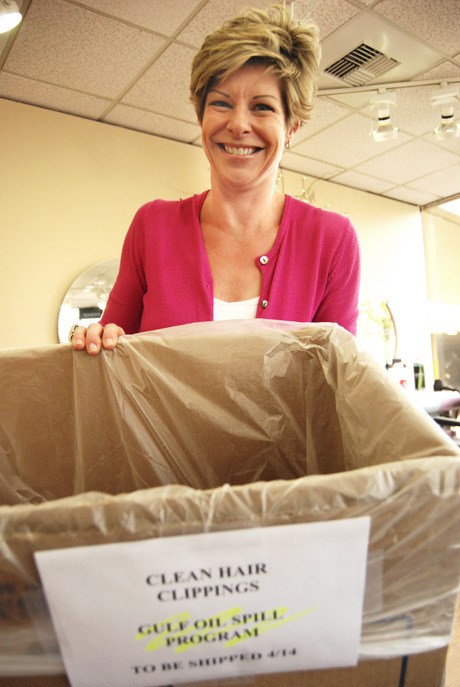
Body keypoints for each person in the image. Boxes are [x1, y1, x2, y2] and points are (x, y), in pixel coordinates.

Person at [70, 4, 360, 355]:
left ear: (291, 128)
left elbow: (340, 381)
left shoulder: (331, 241)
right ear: (201, 117)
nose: (238, 124)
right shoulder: (152, 226)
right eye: (221, 103)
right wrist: (98, 339)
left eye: (262, 107)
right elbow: (113, 353)